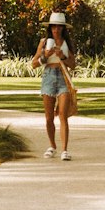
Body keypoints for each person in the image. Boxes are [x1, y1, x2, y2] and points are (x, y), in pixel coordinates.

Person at [31, 11, 76, 160]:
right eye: (54, 27)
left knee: (63, 115)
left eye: (59, 27)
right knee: (49, 117)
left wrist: (62, 57)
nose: (56, 29)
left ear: (63, 28)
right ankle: (52, 146)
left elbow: (73, 65)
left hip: (62, 76)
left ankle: (64, 149)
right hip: (48, 77)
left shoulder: (66, 43)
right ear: (50, 28)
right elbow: (34, 64)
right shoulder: (44, 42)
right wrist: (46, 56)